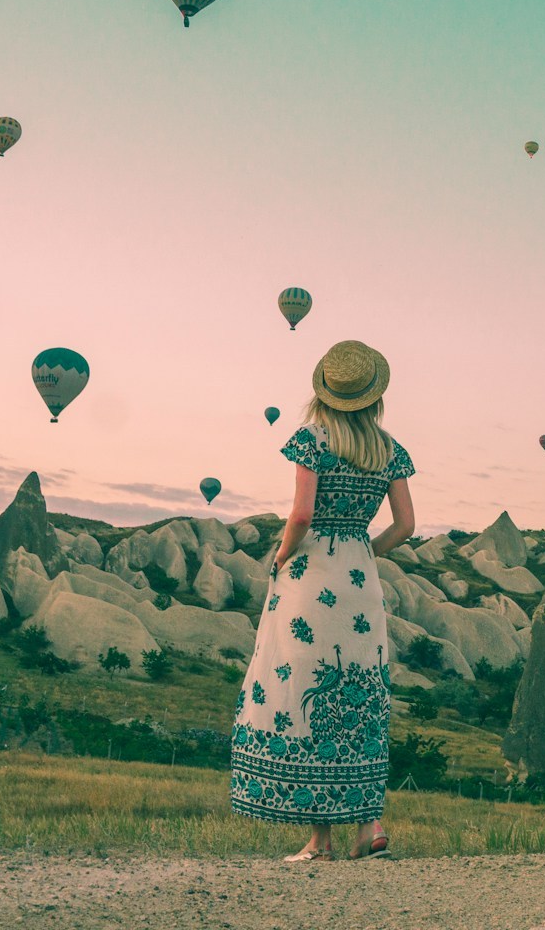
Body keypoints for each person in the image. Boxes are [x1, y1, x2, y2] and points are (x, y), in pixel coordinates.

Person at [228, 339, 418, 861]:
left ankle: (320, 841)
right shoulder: (390, 448)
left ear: (325, 393)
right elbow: (407, 525)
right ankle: (369, 827)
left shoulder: (312, 439)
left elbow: (302, 515)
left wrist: (280, 558)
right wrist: (365, 550)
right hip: (360, 581)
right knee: (361, 693)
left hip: (311, 579)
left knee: (308, 690)